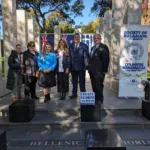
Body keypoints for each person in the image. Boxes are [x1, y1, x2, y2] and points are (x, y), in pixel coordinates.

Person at [88, 33, 110, 104]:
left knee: (99, 86)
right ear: (93, 39)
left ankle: (100, 100)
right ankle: (95, 99)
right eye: (95, 38)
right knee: (94, 86)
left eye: (98, 38)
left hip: (99, 72)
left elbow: (106, 59)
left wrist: (104, 70)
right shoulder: (92, 48)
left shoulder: (104, 47)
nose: (96, 39)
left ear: (100, 39)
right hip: (92, 71)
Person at [69, 33, 89, 98]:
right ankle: (74, 94)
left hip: (81, 67)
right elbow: (70, 57)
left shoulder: (84, 45)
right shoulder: (71, 46)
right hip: (73, 67)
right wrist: (69, 67)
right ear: (73, 38)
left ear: (79, 38)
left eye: (77, 37)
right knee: (74, 82)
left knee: (82, 82)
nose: (76, 38)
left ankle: (83, 95)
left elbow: (86, 56)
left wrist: (86, 66)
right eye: (75, 37)